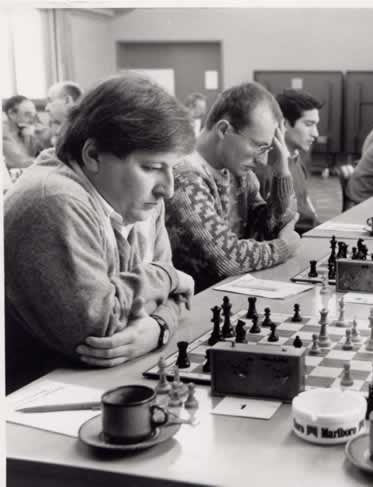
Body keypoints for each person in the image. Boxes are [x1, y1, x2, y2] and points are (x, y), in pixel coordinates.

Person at [4, 74, 196, 394]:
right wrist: (167, 276)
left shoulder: (139, 199)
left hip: (103, 383)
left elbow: (177, 296)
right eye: (151, 168)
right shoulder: (53, 200)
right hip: (37, 397)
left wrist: (159, 327)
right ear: (93, 155)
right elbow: (99, 330)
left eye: (172, 168)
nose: (168, 189)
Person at [165, 82, 300, 293]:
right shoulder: (184, 177)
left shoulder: (238, 172)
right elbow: (226, 260)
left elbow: (274, 227)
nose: (262, 160)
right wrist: (283, 248)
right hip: (199, 302)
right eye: (258, 146)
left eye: (267, 148)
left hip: (230, 292)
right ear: (223, 130)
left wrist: (281, 172)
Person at [253, 89, 322, 234]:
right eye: (309, 124)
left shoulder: (297, 158)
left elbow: (307, 205)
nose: (316, 133)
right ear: (283, 124)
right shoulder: (265, 170)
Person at [2, 95, 43, 169]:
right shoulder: (3, 134)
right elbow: (21, 163)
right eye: (27, 114)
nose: (32, 120)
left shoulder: (25, 128)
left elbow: (35, 154)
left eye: (33, 114)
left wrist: (29, 138)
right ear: (12, 114)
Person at [45, 81, 83, 146]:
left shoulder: (81, 132)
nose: (46, 108)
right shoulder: (61, 128)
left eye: (50, 101)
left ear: (67, 100)